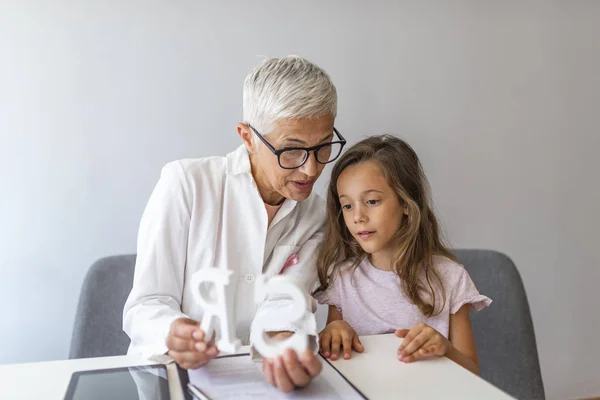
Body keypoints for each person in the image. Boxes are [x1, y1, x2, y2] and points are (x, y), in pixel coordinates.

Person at [123, 55, 346, 393]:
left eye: (324, 146)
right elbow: (146, 304)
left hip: (260, 386)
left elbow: (286, 303)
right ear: (248, 137)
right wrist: (172, 331)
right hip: (170, 383)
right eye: (292, 151)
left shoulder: (317, 216)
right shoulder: (186, 184)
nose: (311, 170)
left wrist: (284, 343)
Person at [314, 135, 491, 375]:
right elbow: (336, 362)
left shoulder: (451, 278)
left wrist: (445, 349)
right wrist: (334, 331)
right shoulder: (343, 279)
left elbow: (473, 374)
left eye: (372, 201)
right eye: (347, 205)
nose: (358, 217)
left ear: (407, 203)